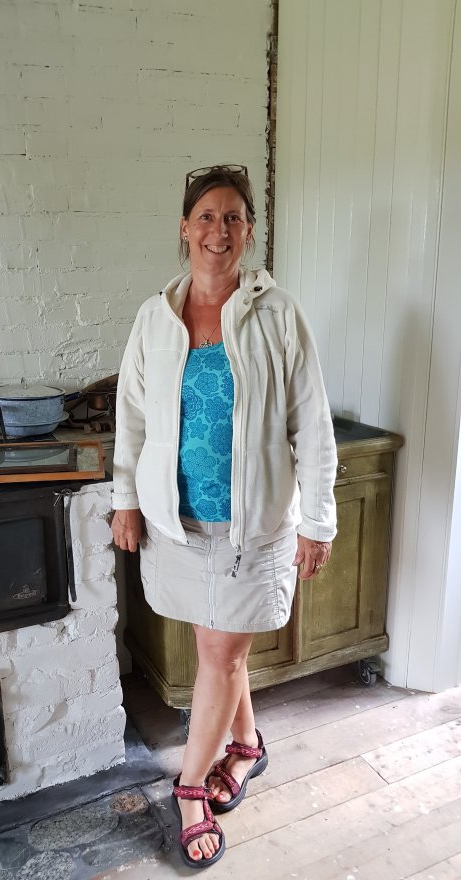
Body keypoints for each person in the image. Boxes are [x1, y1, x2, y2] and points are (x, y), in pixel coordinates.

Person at [111, 165, 337, 869]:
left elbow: (313, 422)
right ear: (185, 228)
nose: (219, 230)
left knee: (221, 653)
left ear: (249, 231)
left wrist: (318, 520)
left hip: (253, 524)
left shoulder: (278, 313)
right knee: (217, 648)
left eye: (233, 217)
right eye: (206, 216)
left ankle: (188, 791)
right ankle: (246, 746)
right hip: (178, 523)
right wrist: (125, 499)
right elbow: (132, 418)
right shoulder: (154, 318)